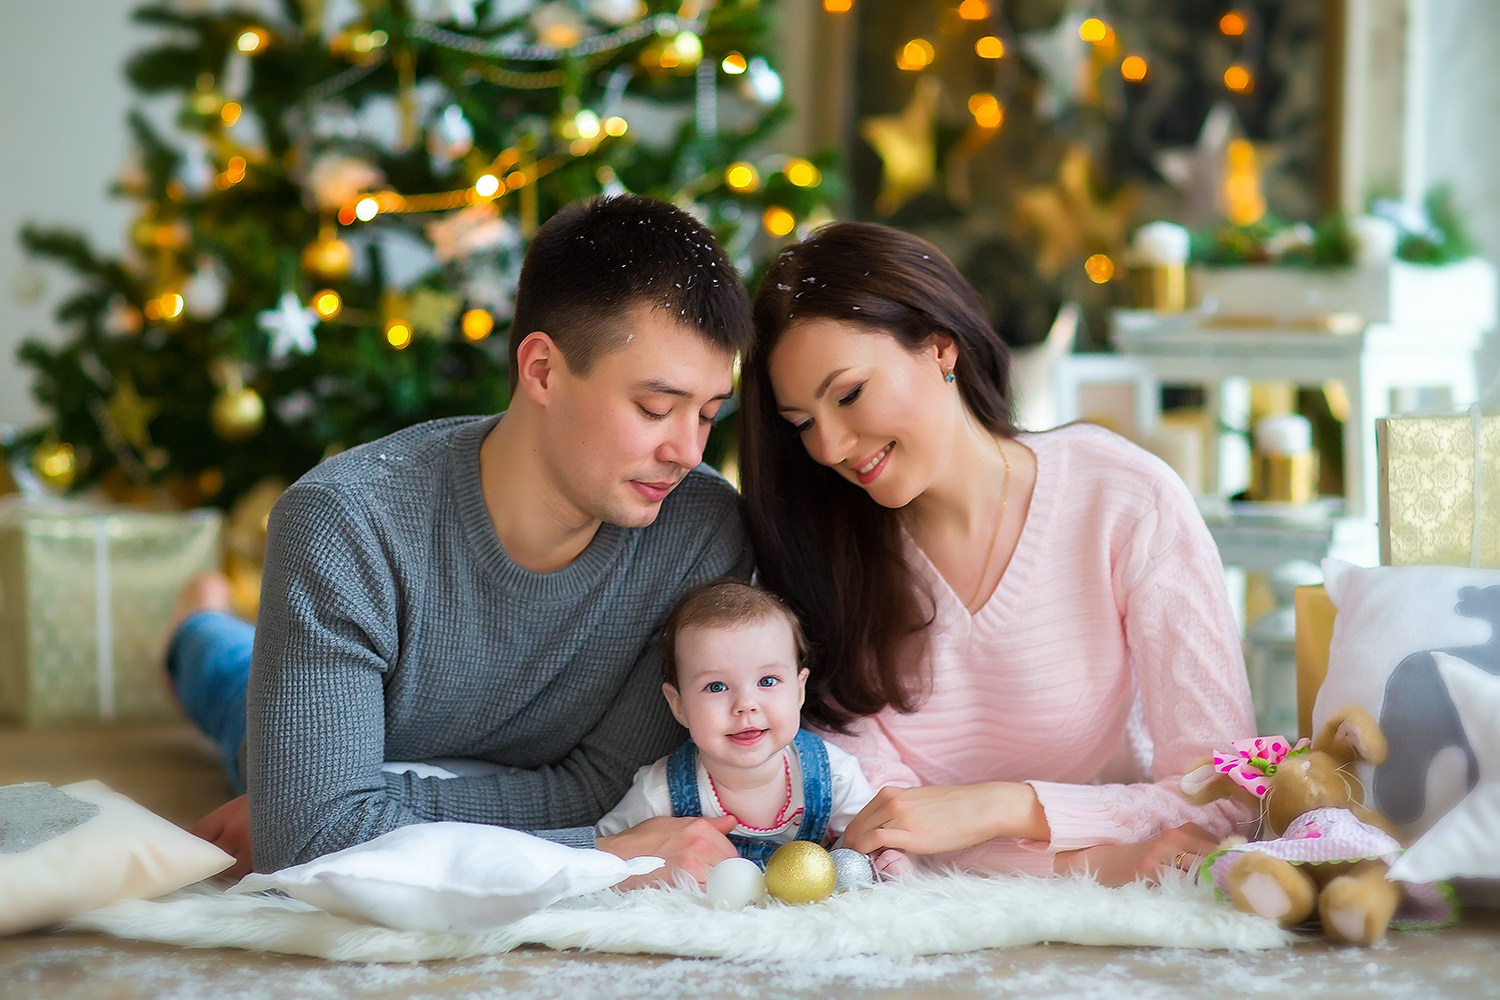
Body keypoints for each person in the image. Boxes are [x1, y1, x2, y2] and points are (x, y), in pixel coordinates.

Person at [168, 194, 754, 884]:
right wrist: (595, 857)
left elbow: (608, 789)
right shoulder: (344, 523)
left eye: (709, 414)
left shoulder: (701, 529)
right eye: (655, 408)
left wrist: (363, 809)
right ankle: (195, 622)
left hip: (384, 765)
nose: (687, 450)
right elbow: (313, 837)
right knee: (228, 671)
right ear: (541, 370)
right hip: (371, 724)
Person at [737, 221, 1258, 886]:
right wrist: (1108, 861)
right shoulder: (825, 554)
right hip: (936, 939)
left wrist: (1001, 806)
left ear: (939, 348)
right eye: (803, 424)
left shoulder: (1124, 499)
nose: (832, 446)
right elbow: (878, 835)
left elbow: (1227, 793)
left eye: (849, 394)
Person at [595, 579, 907, 876]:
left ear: (799, 691)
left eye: (767, 681)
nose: (745, 704)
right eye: (716, 686)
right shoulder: (659, 792)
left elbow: (871, 840)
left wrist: (884, 862)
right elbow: (598, 859)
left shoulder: (832, 774)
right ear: (679, 705)